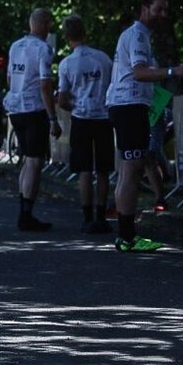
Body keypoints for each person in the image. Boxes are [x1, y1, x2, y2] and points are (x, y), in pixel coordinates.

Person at [106, 0, 183, 252]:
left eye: (166, 10)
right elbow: (140, 72)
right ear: (144, 8)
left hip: (129, 106)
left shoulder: (139, 35)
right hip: (128, 106)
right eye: (158, 9)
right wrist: (174, 71)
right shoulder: (138, 35)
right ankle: (127, 237)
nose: (163, 15)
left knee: (128, 171)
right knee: (132, 170)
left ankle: (125, 235)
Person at [4, 8, 61, 232]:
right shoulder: (43, 49)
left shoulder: (15, 46)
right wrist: (52, 117)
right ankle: (26, 214)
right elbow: (45, 85)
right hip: (34, 108)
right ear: (45, 24)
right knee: (36, 162)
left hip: (15, 107)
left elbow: (10, 78)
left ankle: (23, 210)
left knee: (28, 159)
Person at [55, 14, 114, 235]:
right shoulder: (103, 59)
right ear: (85, 32)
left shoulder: (67, 64)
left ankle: (87, 218)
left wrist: (76, 105)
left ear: (66, 36)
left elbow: (62, 99)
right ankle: (101, 216)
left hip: (81, 118)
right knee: (103, 170)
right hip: (103, 117)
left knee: (84, 170)